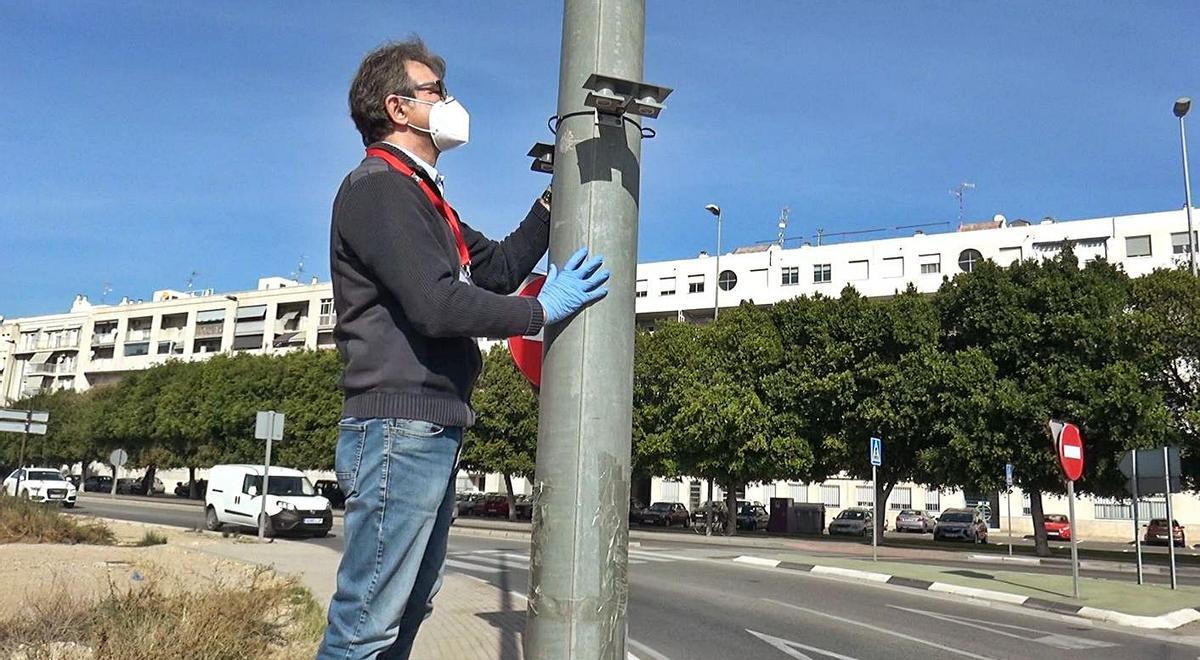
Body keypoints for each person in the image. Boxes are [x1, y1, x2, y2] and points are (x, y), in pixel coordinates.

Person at [318, 38, 608, 659]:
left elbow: (497, 268)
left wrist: (552, 201)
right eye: (436, 93)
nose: (450, 103)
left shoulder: (424, 197)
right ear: (398, 108)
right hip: (399, 425)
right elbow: (438, 303)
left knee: (409, 606)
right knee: (366, 620)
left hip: (429, 427)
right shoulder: (378, 190)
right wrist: (540, 311)